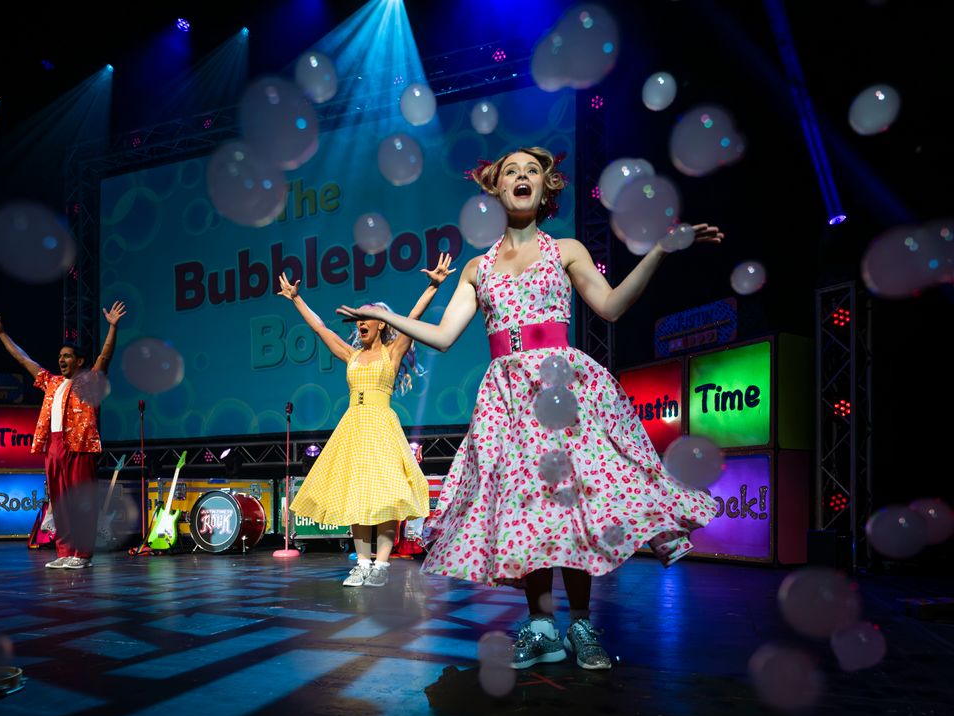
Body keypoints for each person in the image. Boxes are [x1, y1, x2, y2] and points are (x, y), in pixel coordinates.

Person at [338, 147, 722, 668]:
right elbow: (444, 336)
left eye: (532, 171)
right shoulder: (477, 268)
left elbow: (611, 306)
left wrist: (658, 250)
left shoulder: (565, 250)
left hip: (560, 388)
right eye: (511, 172)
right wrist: (383, 316)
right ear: (496, 190)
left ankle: (581, 624)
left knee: (569, 502)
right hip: (507, 399)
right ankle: (542, 627)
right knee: (526, 509)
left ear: (545, 188)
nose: (522, 176)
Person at [282, 254, 452, 588]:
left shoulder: (393, 351)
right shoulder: (352, 354)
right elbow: (320, 328)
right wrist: (296, 299)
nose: (359, 322)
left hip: (382, 427)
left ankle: (382, 566)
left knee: (386, 497)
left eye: (366, 317)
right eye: (357, 318)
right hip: (354, 428)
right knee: (358, 496)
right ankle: (362, 563)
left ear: (381, 323)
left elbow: (413, 317)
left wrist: (433, 286)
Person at [0, 302, 126, 569]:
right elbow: (23, 359)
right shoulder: (51, 382)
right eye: (60, 356)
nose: (61, 360)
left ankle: (82, 555)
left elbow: (105, 356)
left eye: (67, 356)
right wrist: (2, 335)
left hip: (79, 446)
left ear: (80, 361)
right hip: (54, 446)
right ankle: (65, 551)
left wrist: (112, 327)